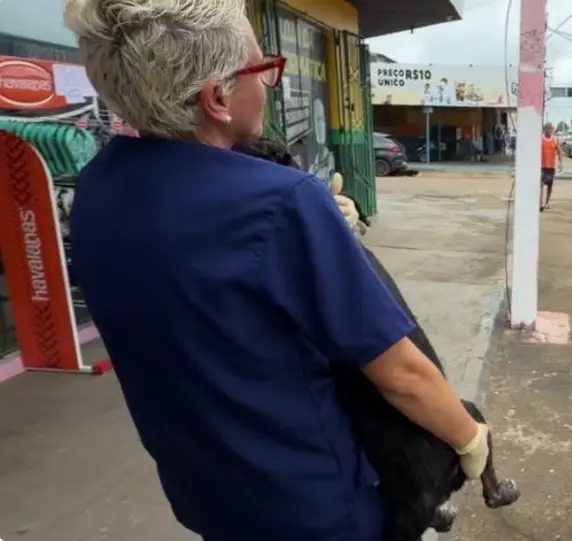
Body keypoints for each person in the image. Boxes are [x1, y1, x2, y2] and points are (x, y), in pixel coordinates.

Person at [63, 1, 491, 540]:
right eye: (261, 68)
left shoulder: (97, 190)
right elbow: (403, 375)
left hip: (204, 492)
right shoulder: (281, 203)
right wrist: (468, 439)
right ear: (216, 98)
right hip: (310, 506)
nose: (268, 82)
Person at [540, 122, 562, 211]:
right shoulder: (540, 139)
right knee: (541, 184)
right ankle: (540, 202)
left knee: (549, 185)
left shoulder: (555, 140)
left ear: (552, 130)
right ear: (544, 129)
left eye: (550, 128)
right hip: (541, 166)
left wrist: (561, 163)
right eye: (547, 128)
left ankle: (547, 202)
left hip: (551, 166)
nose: (548, 130)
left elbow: (559, 152)